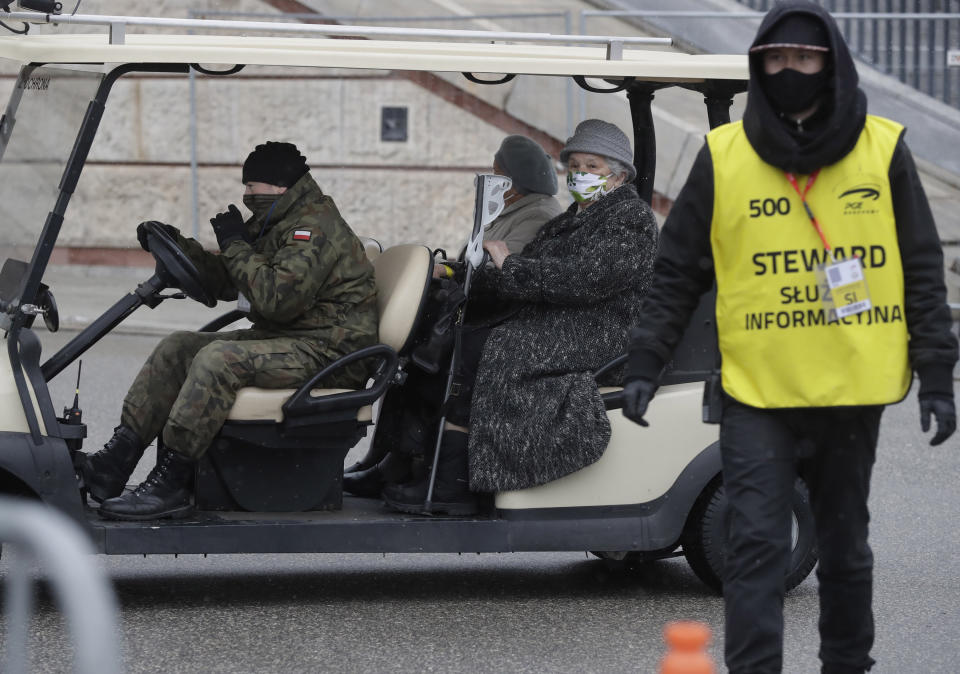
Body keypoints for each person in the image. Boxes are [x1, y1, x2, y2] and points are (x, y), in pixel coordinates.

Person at [621, 3, 958, 673]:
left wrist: (938, 374)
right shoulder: (726, 156)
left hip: (850, 385)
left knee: (843, 546)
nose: (789, 71)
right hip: (758, 386)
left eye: (804, 60)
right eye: (775, 60)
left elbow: (921, 266)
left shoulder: (882, 149)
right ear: (758, 66)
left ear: (830, 65)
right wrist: (646, 361)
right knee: (754, 546)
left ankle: (845, 665)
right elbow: (677, 271)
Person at [76, 141, 378, 521]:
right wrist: (181, 249)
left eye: (253, 187)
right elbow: (233, 280)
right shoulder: (278, 218)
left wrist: (235, 244)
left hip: (332, 351)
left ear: (280, 186)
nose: (246, 194)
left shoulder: (312, 228)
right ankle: (114, 463)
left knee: (220, 360)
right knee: (178, 347)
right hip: (293, 338)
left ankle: (171, 481)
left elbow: (274, 299)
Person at [382, 118, 660, 515]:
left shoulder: (629, 219)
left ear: (618, 175)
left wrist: (509, 265)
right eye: (575, 165)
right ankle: (417, 464)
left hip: (602, 332)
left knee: (482, 351)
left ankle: (454, 486)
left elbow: (581, 281)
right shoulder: (572, 219)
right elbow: (522, 272)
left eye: (592, 166)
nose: (580, 173)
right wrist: (464, 276)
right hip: (565, 323)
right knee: (446, 344)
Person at [345, 134, 562, 495]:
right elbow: (475, 263)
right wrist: (446, 269)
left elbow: (503, 271)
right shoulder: (512, 210)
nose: (492, 181)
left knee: (430, 359)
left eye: (498, 174)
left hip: (506, 319)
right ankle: (388, 456)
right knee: (411, 356)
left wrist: (451, 272)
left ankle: (410, 463)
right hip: (485, 310)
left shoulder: (537, 215)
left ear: (516, 178)